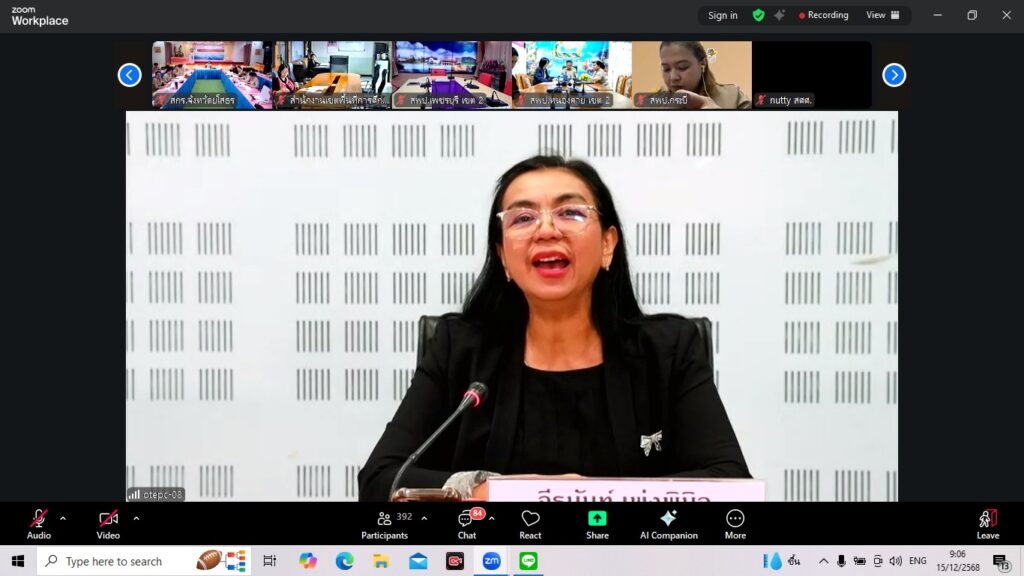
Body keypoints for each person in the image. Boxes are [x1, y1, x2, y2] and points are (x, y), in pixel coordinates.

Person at [358, 155, 750, 502]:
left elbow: (731, 484)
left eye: (570, 213)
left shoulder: (668, 351)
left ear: (608, 244)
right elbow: (380, 481)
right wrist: (486, 490)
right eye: (523, 218)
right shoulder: (457, 349)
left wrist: (580, 498)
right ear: (503, 255)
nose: (546, 230)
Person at [657, 41, 751, 109]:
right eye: (666, 69)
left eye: (682, 67)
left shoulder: (734, 97)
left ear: (703, 64)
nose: (673, 77)